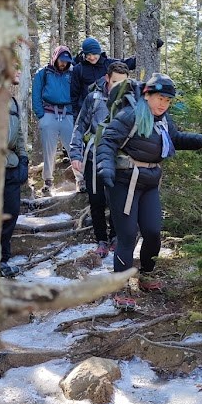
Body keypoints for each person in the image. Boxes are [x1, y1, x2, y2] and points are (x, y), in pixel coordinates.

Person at [96, 72, 202, 309]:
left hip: (149, 182)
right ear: (147, 94)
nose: (163, 104)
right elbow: (107, 141)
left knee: (152, 231)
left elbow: (174, 138)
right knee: (127, 235)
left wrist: (198, 140)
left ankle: (146, 275)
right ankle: (119, 288)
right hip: (124, 183)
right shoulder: (130, 115)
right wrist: (105, 168)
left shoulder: (164, 120)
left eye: (168, 100)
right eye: (160, 98)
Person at [70, 61, 131, 258]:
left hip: (117, 158)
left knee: (116, 199)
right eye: (114, 82)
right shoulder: (93, 99)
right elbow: (80, 126)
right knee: (96, 200)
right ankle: (101, 241)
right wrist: (75, 154)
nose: (117, 87)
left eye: (122, 83)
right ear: (106, 79)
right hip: (93, 156)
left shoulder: (129, 101)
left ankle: (115, 237)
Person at [32, 46, 76, 195]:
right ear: (55, 58)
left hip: (68, 114)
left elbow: (79, 93)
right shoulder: (43, 73)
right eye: (61, 61)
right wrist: (41, 115)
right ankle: (48, 183)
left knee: (74, 149)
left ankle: (81, 180)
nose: (63, 64)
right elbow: (36, 94)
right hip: (49, 113)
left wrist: (75, 114)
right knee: (48, 151)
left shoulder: (74, 72)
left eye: (66, 61)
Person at [0, 70, 29, 278]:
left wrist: (24, 159)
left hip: (10, 165)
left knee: (11, 212)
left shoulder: (11, 99)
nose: (19, 71)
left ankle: (2, 259)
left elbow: (18, 133)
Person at [70, 37, 138, 117]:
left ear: (99, 52)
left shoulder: (109, 64)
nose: (91, 58)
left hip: (107, 111)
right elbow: (74, 95)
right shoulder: (79, 69)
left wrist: (152, 47)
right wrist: (75, 116)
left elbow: (130, 63)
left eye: (94, 54)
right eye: (88, 55)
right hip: (86, 113)